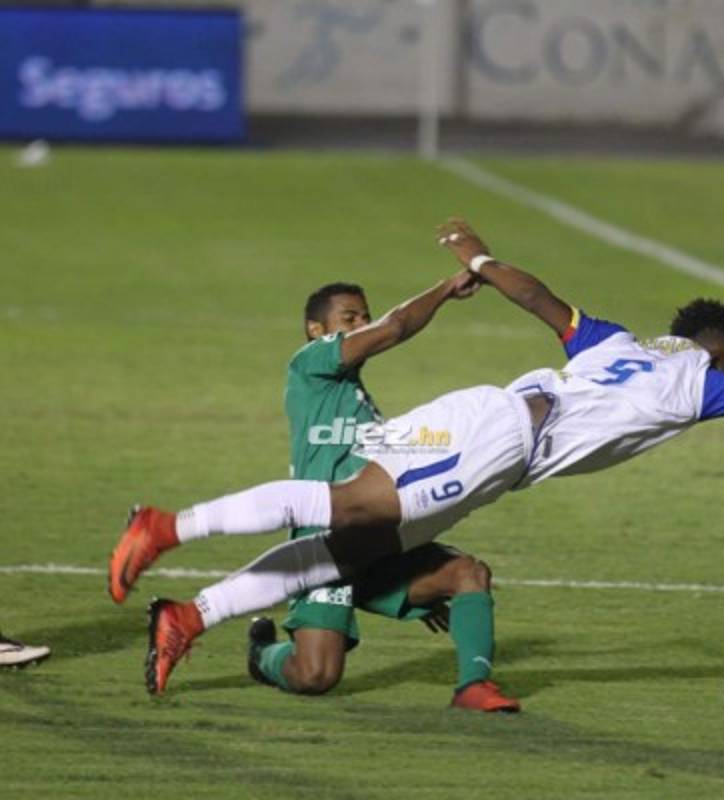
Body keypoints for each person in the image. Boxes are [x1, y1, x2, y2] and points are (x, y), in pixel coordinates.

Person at [109, 217, 724, 696]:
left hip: (498, 446)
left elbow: (539, 299)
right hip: (498, 433)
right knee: (351, 509)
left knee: (351, 549)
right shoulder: (702, 383)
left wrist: (482, 259)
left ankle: (192, 615)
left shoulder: (616, 342)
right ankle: (167, 526)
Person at [114, 273, 520, 711]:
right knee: (316, 675)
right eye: (350, 317)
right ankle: (262, 655)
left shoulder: (359, 401)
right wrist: (445, 289)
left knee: (466, 574)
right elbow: (394, 327)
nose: (362, 324)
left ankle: (474, 686)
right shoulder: (312, 364)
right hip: (327, 536)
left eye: (365, 316)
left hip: (381, 536)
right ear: (316, 329)